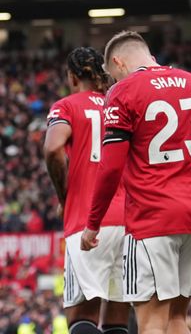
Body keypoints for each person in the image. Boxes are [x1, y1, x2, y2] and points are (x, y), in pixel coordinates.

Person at [80, 31, 191, 334]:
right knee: (177, 318)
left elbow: (111, 167)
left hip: (152, 220)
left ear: (117, 61)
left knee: (152, 322)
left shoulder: (123, 91)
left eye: (112, 75)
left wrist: (93, 222)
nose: (113, 82)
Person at [43, 47, 130, 334]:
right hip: (127, 221)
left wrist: (63, 194)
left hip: (87, 220)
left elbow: (54, 148)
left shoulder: (67, 105)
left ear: (72, 77)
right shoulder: (119, 104)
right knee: (118, 318)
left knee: (82, 316)